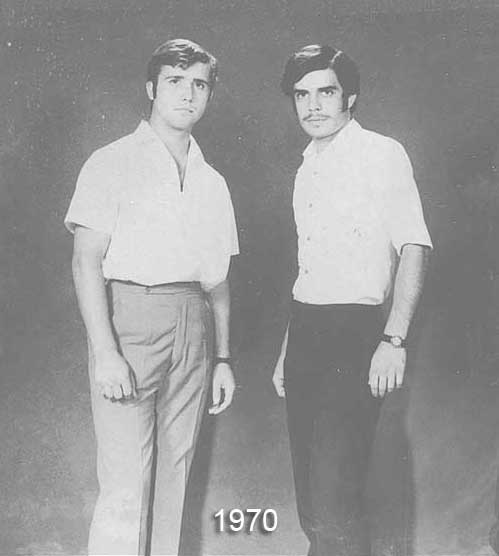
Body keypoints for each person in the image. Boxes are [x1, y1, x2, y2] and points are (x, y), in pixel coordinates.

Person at [65, 39, 239, 556]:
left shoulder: (213, 182)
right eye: (175, 82)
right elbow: (85, 262)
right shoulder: (110, 161)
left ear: (209, 94)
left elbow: (219, 282)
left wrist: (223, 358)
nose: (188, 94)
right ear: (151, 89)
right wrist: (106, 352)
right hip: (130, 320)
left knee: (176, 474)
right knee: (125, 482)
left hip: (194, 324)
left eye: (199, 84)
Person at [272, 44, 432, 556]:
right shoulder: (305, 168)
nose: (313, 105)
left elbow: (414, 247)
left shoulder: (382, 154)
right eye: (302, 95)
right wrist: (287, 348)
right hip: (305, 334)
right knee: (311, 504)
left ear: (351, 97)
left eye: (326, 92)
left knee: (334, 495)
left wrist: (393, 339)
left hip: (356, 334)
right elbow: (310, 270)